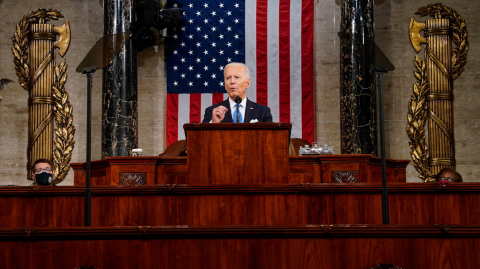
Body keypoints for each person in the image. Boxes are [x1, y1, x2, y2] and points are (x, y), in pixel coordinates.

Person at [202, 62, 273, 123]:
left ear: (247, 83)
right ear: (225, 84)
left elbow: (270, 137)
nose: (232, 82)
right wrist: (213, 124)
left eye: (237, 77)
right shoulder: (212, 112)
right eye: (228, 78)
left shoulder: (263, 112)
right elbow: (202, 137)